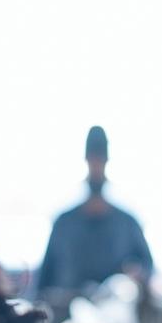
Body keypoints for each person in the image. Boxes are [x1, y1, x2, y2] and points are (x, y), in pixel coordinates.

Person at [34, 125, 154, 301]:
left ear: (106, 160)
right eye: (93, 158)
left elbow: (147, 269)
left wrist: (137, 275)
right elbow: (42, 284)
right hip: (67, 317)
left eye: (100, 159)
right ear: (86, 160)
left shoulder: (127, 224)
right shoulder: (64, 223)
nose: (96, 165)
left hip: (113, 316)